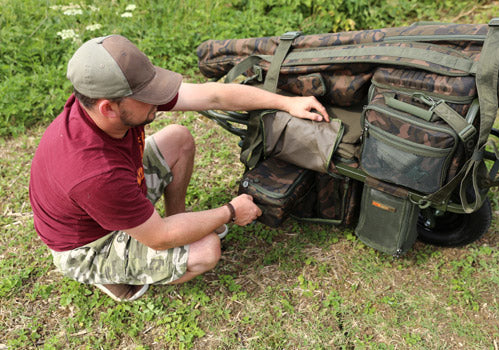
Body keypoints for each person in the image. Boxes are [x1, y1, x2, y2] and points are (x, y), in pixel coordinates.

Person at [29, 34, 329, 302]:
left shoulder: (105, 105)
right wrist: (231, 211)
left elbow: (213, 96)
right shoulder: (94, 173)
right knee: (205, 251)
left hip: (116, 197)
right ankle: (115, 276)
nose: (157, 100)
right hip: (90, 245)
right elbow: (159, 236)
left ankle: (179, 220)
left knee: (178, 138)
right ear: (108, 108)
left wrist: (286, 103)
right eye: (146, 96)